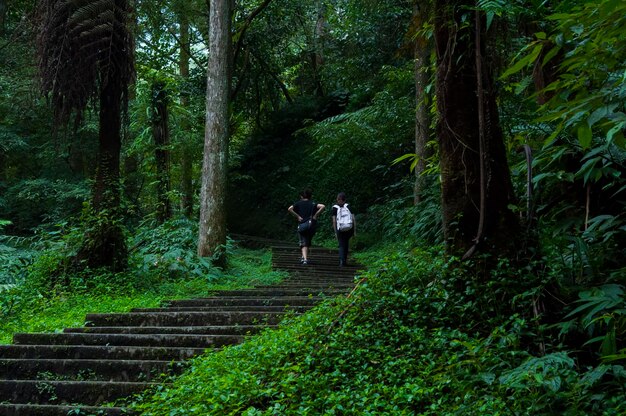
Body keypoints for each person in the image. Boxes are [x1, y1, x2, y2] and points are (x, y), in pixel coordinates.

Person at [288, 188, 325, 265]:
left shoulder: (298, 203)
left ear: (301, 196)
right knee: (307, 241)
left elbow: (290, 209)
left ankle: (305, 259)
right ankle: (303, 256)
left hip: (302, 225)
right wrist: (316, 215)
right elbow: (323, 206)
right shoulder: (313, 203)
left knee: (303, 242)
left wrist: (297, 216)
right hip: (311, 225)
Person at [332, 192, 356, 267]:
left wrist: (335, 232)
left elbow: (334, 221)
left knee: (341, 244)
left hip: (340, 228)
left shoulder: (334, 208)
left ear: (337, 199)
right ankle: (344, 260)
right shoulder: (348, 206)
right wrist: (354, 230)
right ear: (345, 199)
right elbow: (353, 219)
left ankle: (342, 261)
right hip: (349, 228)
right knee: (346, 243)